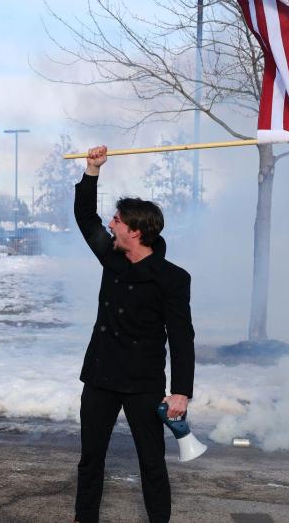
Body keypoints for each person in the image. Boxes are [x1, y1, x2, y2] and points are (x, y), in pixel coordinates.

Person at [72, 146, 195, 523]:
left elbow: (181, 336)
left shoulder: (172, 278)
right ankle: (84, 518)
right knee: (91, 457)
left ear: (136, 231)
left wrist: (181, 391)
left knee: (152, 463)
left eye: (118, 220)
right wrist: (92, 170)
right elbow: (85, 216)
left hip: (143, 383)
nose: (111, 224)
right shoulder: (111, 256)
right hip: (101, 377)